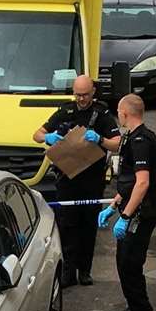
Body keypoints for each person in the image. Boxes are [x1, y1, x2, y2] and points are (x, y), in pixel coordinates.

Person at [33, 73, 122, 286]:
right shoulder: (66, 111)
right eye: (78, 95)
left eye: (85, 95)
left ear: (93, 92)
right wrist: (48, 137)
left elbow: (118, 143)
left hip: (91, 178)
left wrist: (100, 139)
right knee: (67, 225)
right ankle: (67, 271)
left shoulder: (102, 114)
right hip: (67, 177)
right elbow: (36, 134)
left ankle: (84, 270)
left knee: (88, 225)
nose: (81, 99)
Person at [96, 94, 156, 311]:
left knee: (130, 265)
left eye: (119, 112)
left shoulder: (142, 140)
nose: (118, 116)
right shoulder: (131, 139)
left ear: (125, 113)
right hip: (130, 208)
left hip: (140, 213)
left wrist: (125, 216)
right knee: (123, 263)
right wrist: (113, 205)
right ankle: (134, 309)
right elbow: (130, 181)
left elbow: (143, 183)